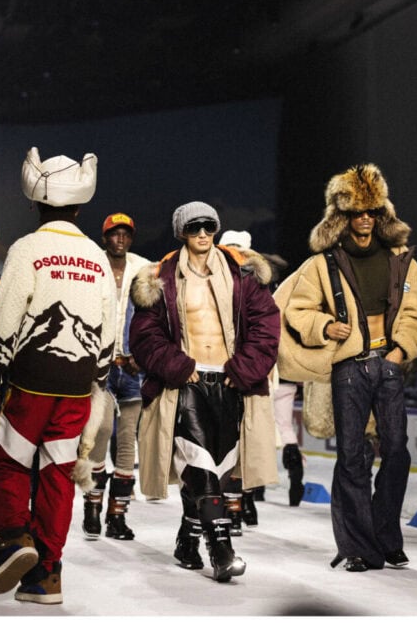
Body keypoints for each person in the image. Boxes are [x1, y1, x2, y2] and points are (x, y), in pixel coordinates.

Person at [0, 149, 116, 605]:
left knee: (6, 463)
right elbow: (109, 327)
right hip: (78, 386)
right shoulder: (96, 256)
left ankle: (14, 539)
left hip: (30, 381)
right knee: (58, 476)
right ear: (79, 205)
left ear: (36, 202)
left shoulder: (27, 249)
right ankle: (47, 577)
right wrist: (96, 380)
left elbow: (4, 319)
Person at [282, 163, 417, 572]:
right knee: (352, 458)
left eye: (371, 211)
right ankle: (359, 547)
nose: (364, 219)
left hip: (388, 363)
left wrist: (400, 352)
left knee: (397, 452)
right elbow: (297, 309)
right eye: (356, 212)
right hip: (348, 367)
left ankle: (385, 536)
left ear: (381, 213)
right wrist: (324, 325)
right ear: (342, 216)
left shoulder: (401, 260)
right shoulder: (323, 263)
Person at [129, 202, 280, 583]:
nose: (202, 234)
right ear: (181, 231)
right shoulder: (159, 277)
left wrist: (244, 369)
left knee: (221, 470)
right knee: (200, 467)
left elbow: (267, 324)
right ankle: (221, 550)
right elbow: (144, 336)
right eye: (194, 227)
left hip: (232, 382)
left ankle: (187, 539)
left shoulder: (243, 273)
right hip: (186, 384)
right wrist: (179, 366)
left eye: (209, 226)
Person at [80, 212, 151, 541]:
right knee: (101, 430)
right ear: (104, 237)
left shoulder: (144, 270)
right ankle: (92, 507)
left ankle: (117, 516)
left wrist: (143, 356)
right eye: (114, 233)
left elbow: (153, 320)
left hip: (133, 369)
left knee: (127, 442)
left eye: (125, 234)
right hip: (102, 368)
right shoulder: (92, 266)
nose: (120, 239)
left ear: (131, 238)